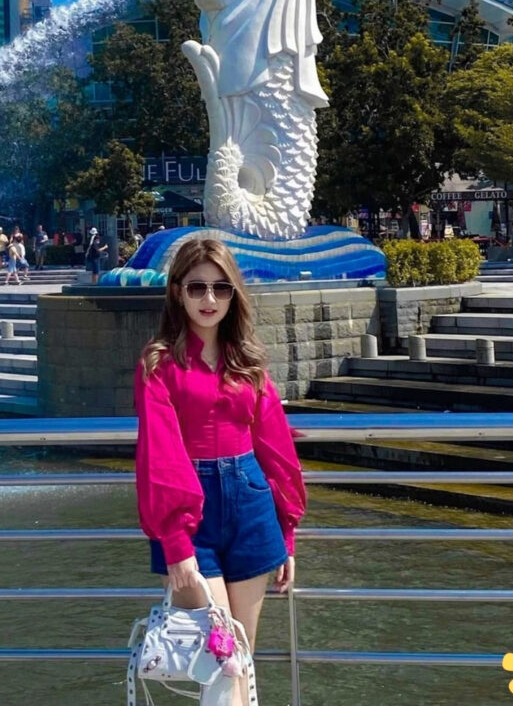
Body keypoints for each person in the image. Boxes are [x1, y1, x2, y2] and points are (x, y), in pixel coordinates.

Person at [134, 238, 306, 706]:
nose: (209, 300)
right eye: (197, 288)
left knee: (239, 658)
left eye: (221, 289)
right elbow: (160, 453)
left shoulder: (247, 361)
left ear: (234, 295)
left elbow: (275, 447)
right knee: (221, 656)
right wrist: (175, 542)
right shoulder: (159, 363)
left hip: (252, 505)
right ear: (177, 293)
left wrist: (286, 530)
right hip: (192, 514)